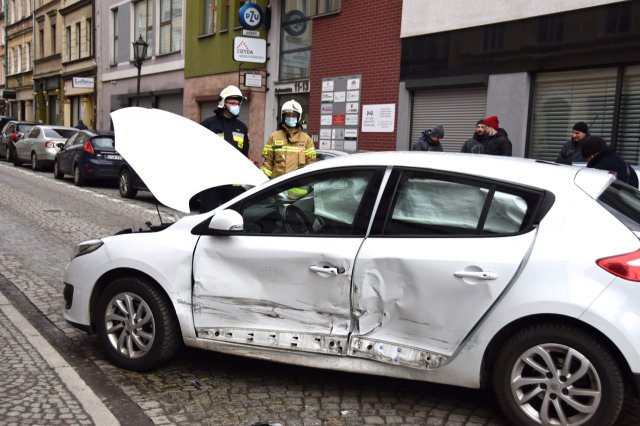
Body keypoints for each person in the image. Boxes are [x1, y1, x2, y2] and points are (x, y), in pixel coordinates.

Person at [199, 85, 250, 212]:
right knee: (207, 215)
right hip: (212, 181)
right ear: (223, 103)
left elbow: (244, 154)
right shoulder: (208, 124)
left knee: (233, 217)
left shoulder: (242, 128)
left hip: (233, 182)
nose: (235, 106)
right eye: (232, 103)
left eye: (238, 104)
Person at [260, 100, 316, 180]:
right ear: (283, 117)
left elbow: (311, 166)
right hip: (278, 188)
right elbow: (267, 164)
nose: (291, 118)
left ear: (298, 117)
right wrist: (262, 180)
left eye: (293, 116)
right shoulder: (274, 137)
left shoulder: (307, 140)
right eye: (288, 115)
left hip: (299, 189)